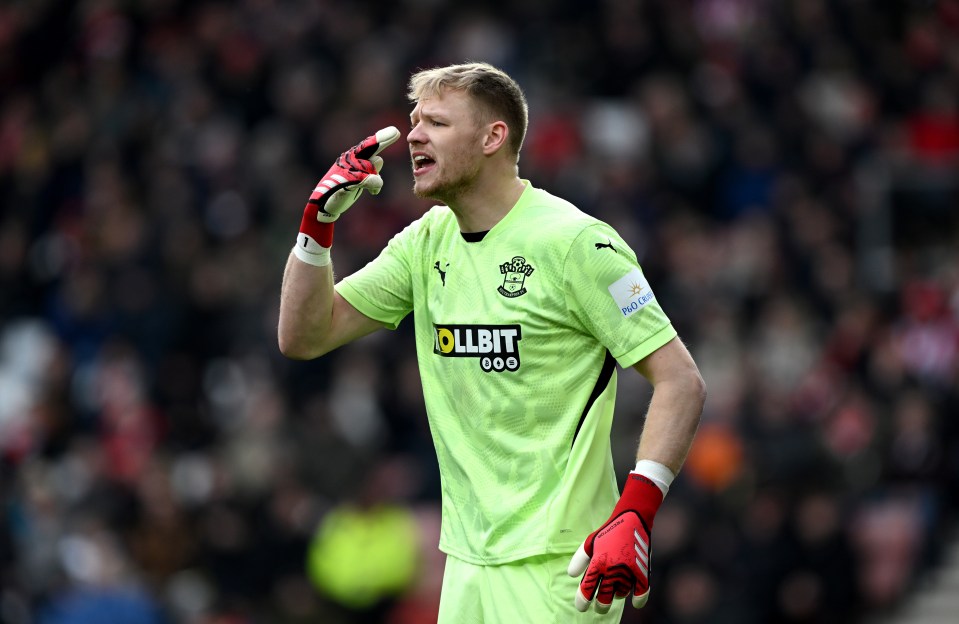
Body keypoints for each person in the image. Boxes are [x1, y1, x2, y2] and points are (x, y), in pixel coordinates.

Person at [278, 61, 706, 623]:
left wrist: (636, 512)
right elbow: (304, 336)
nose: (413, 136)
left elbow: (680, 380)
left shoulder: (575, 243)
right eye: (413, 121)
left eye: (435, 122)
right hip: (465, 563)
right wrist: (316, 232)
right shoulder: (424, 243)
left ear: (492, 137)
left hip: (559, 565)